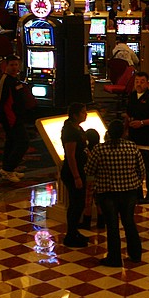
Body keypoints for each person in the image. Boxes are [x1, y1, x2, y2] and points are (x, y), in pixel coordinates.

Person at [84, 119, 146, 268]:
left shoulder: (99, 149)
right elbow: (141, 170)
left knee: (112, 225)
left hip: (107, 192)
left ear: (108, 133)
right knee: (129, 222)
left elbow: (89, 170)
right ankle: (135, 254)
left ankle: (114, 258)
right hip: (129, 191)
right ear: (123, 133)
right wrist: (135, 183)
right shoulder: (131, 146)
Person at [0, 56, 36, 183]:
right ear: (5, 66)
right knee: (23, 142)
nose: (14, 67)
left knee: (11, 142)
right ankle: (8, 168)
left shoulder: (15, 80)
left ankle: (7, 169)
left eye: (16, 65)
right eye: (11, 65)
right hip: (10, 118)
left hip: (17, 116)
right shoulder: (5, 80)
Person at [125, 72, 149, 203]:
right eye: (137, 81)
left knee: (148, 168)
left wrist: (142, 123)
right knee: (134, 167)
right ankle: (137, 195)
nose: (139, 84)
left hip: (146, 138)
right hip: (133, 137)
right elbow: (128, 113)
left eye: (142, 81)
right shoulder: (132, 96)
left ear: (147, 83)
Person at [60, 103, 90, 248]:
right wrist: (76, 177)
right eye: (83, 112)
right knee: (76, 204)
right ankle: (70, 235)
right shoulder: (70, 131)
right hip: (72, 171)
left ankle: (74, 231)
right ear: (75, 115)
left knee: (79, 203)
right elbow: (71, 156)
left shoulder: (78, 128)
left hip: (80, 169)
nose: (86, 114)